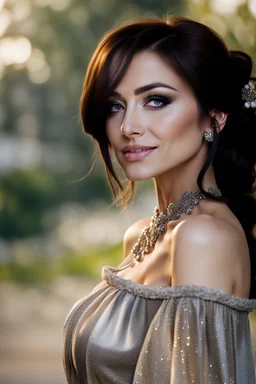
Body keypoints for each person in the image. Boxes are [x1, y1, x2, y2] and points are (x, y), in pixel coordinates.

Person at [62, 16, 256, 383]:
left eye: (155, 100)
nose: (127, 128)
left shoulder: (204, 238)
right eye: (114, 105)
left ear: (214, 117)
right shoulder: (141, 236)